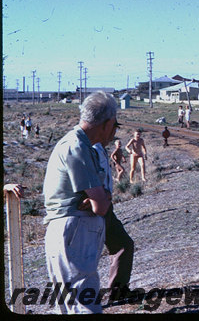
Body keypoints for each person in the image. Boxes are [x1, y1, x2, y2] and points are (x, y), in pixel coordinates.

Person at [42, 91, 114, 314]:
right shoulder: (78, 147)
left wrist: (99, 197)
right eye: (115, 125)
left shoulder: (79, 144)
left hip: (67, 231)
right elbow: (101, 206)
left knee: (67, 305)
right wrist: (100, 197)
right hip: (74, 232)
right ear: (107, 123)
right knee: (84, 303)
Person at [93, 127, 135, 299]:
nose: (113, 133)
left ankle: (117, 292)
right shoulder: (91, 150)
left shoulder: (101, 148)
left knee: (124, 245)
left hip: (107, 207)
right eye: (111, 128)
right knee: (89, 257)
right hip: (94, 211)